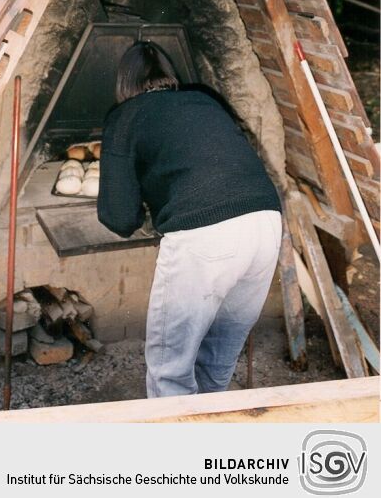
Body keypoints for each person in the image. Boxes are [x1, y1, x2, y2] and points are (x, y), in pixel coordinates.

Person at [97, 41, 282, 398]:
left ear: (123, 83)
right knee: (218, 357)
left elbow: (118, 217)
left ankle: (177, 448)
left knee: (171, 369)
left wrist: (146, 209)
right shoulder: (204, 99)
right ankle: (207, 438)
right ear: (169, 74)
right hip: (265, 224)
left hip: (204, 238)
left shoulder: (124, 117)